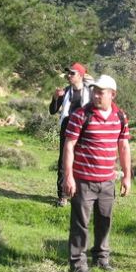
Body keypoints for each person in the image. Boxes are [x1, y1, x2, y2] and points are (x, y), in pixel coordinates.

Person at [62, 74, 132, 272]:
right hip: (83, 180)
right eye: (94, 91)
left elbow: (124, 146)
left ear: (113, 95)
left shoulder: (120, 117)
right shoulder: (81, 115)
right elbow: (69, 146)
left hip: (107, 181)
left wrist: (127, 176)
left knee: (104, 221)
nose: (96, 95)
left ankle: (101, 259)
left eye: (101, 92)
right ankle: (77, 265)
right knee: (80, 224)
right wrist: (68, 177)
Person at [49, 62, 92, 207]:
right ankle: (63, 196)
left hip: (85, 131)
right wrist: (55, 98)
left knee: (82, 162)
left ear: (80, 75)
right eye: (68, 73)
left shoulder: (90, 93)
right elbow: (53, 111)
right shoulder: (65, 91)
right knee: (64, 162)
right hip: (67, 129)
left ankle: (79, 195)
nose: (69, 75)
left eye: (72, 73)